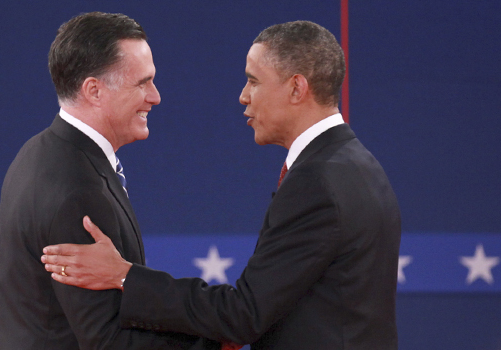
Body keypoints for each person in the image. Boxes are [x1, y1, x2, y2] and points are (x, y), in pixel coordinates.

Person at [41, 20, 402, 350]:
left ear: (296, 88)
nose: (244, 96)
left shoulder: (317, 181)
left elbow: (243, 314)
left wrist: (124, 275)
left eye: (254, 81)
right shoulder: (358, 164)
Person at [0, 12, 220, 350]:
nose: (155, 96)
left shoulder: (40, 151)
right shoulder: (77, 190)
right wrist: (213, 344)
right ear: (94, 90)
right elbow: (107, 340)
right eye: (142, 83)